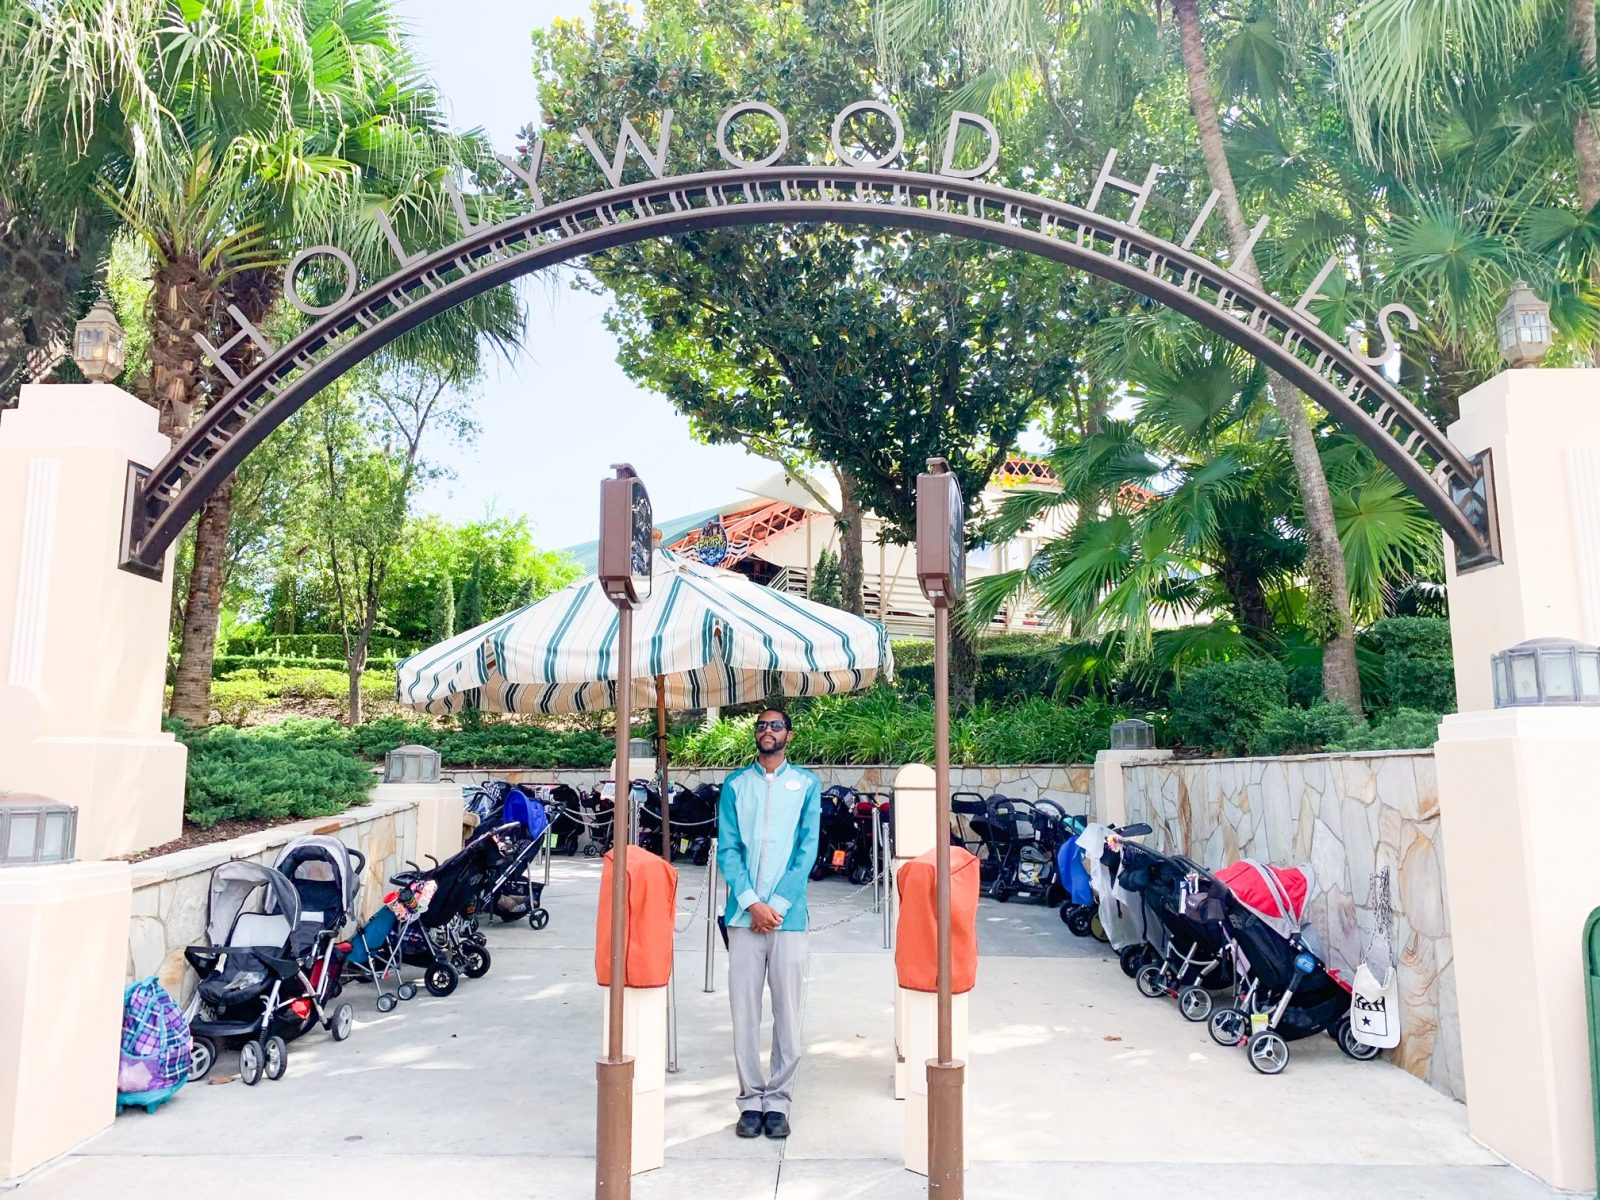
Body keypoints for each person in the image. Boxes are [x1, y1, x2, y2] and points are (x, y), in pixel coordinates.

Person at [716, 706, 821, 1140]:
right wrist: (751, 903)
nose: (766, 731)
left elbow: (807, 848)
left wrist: (774, 904)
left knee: (787, 1012)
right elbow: (729, 848)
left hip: (788, 917)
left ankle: (777, 1100)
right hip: (743, 917)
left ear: (788, 736)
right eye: (761, 726)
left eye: (775, 726)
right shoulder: (735, 786)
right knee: (744, 1011)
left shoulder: (807, 785)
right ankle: (749, 1100)